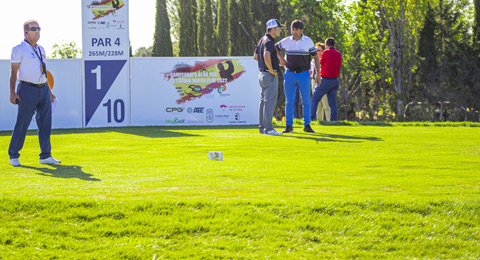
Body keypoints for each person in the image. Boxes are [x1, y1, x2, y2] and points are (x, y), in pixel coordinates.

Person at [8, 20, 60, 166]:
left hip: (43, 88)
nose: (37, 31)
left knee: (45, 123)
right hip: (26, 89)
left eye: (39, 29)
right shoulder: (18, 49)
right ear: (26, 32)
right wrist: (12, 93)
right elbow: (13, 71)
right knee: (23, 122)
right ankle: (13, 155)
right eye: (33, 29)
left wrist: (49, 92)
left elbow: (43, 72)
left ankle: (45, 155)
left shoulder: (41, 49)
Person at [276, 19, 320, 133]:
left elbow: (315, 57)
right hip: (289, 73)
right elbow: (276, 47)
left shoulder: (308, 42)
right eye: (292, 29)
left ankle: (307, 125)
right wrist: (281, 59)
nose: (294, 32)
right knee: (289, 101)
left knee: (306, 101)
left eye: (296, 30)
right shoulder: (286, 41)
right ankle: (289, 126)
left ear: (301, 30)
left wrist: (318, 74)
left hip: (304, 74)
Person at [253, 19, 284, 136]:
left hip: (262, 75)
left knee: (263, 102)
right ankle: (269, 129)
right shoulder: (269, 42)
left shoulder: (262, 40)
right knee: (269, 102)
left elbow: (255, 56)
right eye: (279, 28)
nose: (280, 30)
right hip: (269, 75)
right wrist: (271, 70)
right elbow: (266, 56)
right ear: (273, 29)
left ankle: (262, 128)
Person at [310, 37, 342, 122]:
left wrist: (317, 74)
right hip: (335, 80)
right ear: (334, 44)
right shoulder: (338, 54)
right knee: (332, 102)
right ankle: (333, 120)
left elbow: (319, 65)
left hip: (325, 80)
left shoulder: (325, 53)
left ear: (326, 45)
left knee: (314, 99)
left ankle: (311, 119)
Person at [311, 43, 331, 121]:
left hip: (323, 82)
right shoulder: (313, 60)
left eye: (318, 50)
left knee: (326, 104)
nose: (316, 51)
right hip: (313, 81)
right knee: (318, 104)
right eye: (315, 49)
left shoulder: (325, 60)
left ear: (323, 51)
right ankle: (320, 121)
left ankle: (330, 121)